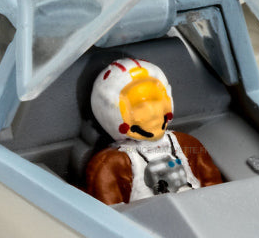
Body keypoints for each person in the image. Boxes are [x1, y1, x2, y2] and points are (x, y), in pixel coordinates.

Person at [86, 57, 222, 205]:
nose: (152, 113)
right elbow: (110, 212)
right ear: (112, 113)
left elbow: (214, 186)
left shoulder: (186, 145)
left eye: (155, 100)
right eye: (138, 106)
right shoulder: (112, 164)